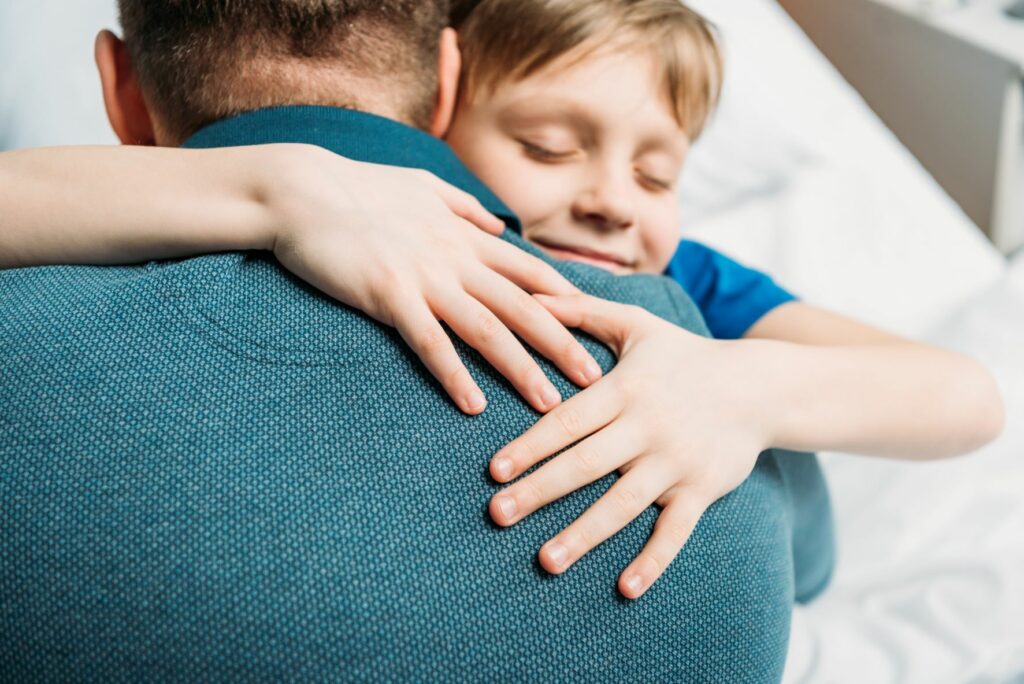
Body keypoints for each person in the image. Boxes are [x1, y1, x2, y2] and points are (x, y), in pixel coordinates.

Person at [0, 0, 1004, 599]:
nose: (612, 201)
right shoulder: (381, 247)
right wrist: (283, 185)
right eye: (548, 149)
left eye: (658, 174)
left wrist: (744, 389)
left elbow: (966, 397)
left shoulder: (687, 282)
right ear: (440, 112)